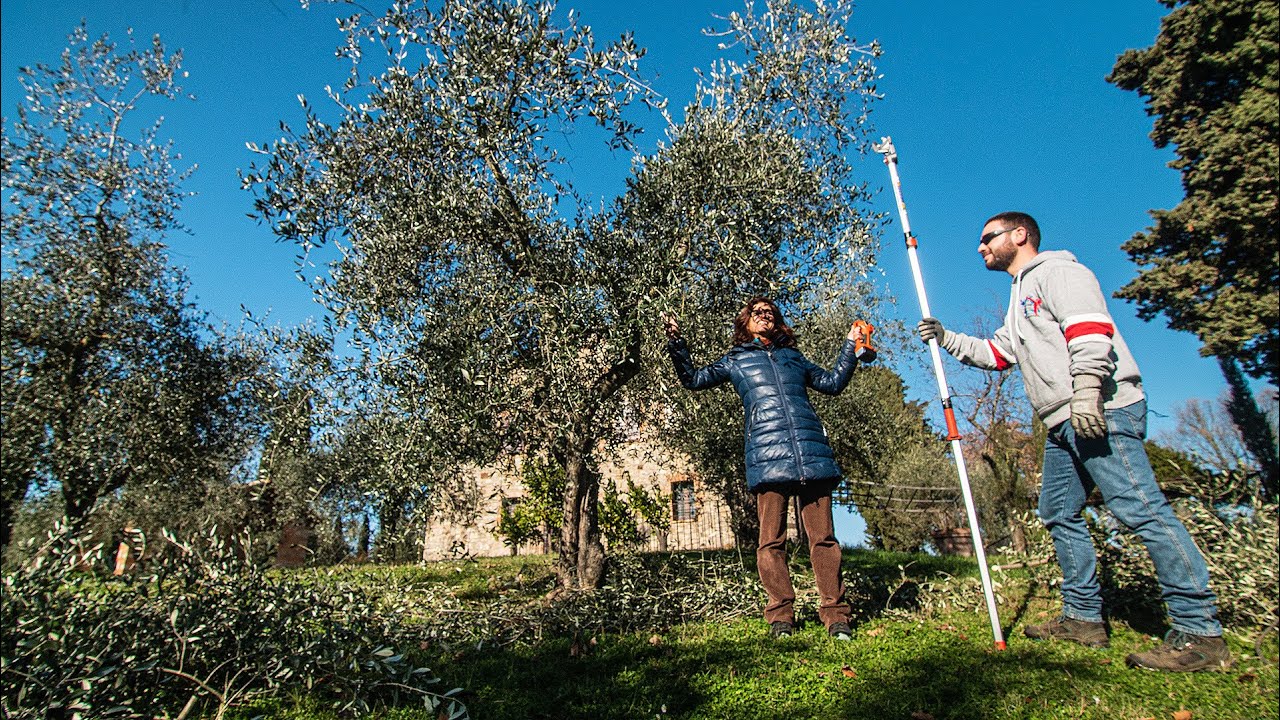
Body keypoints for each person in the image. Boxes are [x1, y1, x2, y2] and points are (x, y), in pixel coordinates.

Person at [917, 211, 1230, 672]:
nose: (981, 247)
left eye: (988, 238)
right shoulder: (1019, 296)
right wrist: (947, 338)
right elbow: (999, 353)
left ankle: (1199, 631)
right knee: (1058, 510)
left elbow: (1089, 330)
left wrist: (1086, 393)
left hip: (1099, 409)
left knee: (1141, 508)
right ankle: (1083, 618)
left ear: (1019, 234)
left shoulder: (1060, 272)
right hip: (1062, 421)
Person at [665, 297, 871, 641]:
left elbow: (833, 383)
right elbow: (694, 379)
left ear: (777, 322)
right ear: (745, 322)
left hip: (810, 452)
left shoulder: (793, 358)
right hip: (768, 455)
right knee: (771, 542)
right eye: (757, 312)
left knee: (823, 539)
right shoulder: (736, 359)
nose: (765, 316)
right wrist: (676, 342)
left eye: (770, 313)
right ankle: (781, 617)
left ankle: (836, 616)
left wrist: (851, 345)